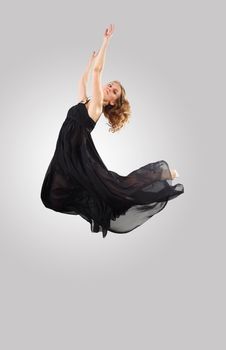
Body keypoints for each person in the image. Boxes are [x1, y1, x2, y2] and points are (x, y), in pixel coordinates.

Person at [40, 24, 184, 238]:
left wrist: (106, 41)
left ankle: (163, 174)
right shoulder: (87, 101)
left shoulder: (97, 105)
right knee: (52, 195)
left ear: (112, 101)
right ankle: (161, 174)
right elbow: (83, 82)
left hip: (78, 157)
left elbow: (99, 72)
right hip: (66, 155)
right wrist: (88, 65)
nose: (108, 87)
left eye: (113, 90)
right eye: (110, 85)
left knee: (119, 188)